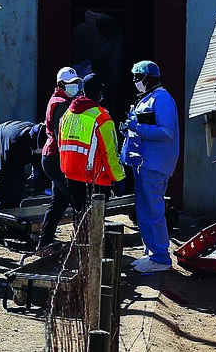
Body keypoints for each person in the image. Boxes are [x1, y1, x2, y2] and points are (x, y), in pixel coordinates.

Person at [120, 60, 179, 274]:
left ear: (150, 77)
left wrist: (136, 126)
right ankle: (152, 253)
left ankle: (161, 257)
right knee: (144, 211)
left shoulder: (162, 99)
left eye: (138, 77)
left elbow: (166, 132)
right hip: (143, 163)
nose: (135, 81)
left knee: (153, 212)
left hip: (155, 164)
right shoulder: (148, 98)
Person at [58, 73, 125, 214]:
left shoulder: (67, 114)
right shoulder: (102, 118)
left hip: (70, 176)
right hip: (95, 180)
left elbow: (61, 145)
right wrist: (118, 178)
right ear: (100, 92)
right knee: (95, 223)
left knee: (81, 221)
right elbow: (110, 153)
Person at [36, 66, 84, 250]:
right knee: (77, 201)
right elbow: (62, 137)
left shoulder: (66, 101)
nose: (75, 86)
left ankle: (44, 242)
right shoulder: (60, 105)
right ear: (61, 84)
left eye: (76, 83)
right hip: (57, 159)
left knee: (59, 202)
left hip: (55, 157)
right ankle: (82, 244)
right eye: (70, 84)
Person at [0, 121, 44, 215]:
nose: (39, 150)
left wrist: (35, 169)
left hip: (14, 148)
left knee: (17, 184)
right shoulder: (14, 142)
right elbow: (1, 173)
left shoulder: (40, 135)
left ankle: (12, 210)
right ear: (30, 140)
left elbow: (38, 153)